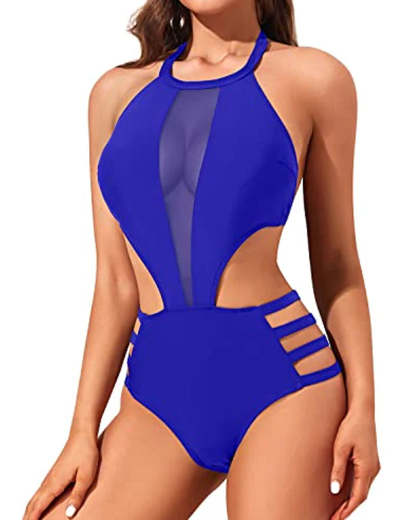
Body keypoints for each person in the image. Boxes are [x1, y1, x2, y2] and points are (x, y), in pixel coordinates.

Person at [24, 1, 380, 519]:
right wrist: (82, 430)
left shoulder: (314, 80)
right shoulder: (115, 95)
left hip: (285, 385)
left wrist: (364, 408)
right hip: (157, 396)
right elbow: (116, 283)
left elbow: (337, 263)